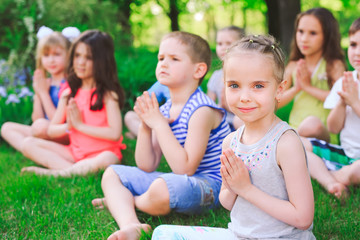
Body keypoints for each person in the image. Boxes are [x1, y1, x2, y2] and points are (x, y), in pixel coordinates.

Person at [152, 35, 315, 240]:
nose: (244, 96)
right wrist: (232, 187)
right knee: (163, 234)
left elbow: (303, 218)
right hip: (238, 235)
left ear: (279, 90)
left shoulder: (285, 143)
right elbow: (227, 202)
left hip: (280, 237)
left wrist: (246, 189)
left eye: (258, 86)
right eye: (234, 85)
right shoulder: (231, 142)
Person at [92, 31, 231, 240]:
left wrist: (158, 123)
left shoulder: (201, 110)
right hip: (181, 181)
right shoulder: (165, 110)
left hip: (210, 187)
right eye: (161, 58)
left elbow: (185, 168)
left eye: (174, 59)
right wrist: (146, 126)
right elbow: (147, 165)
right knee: (112, 173)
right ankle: (131, 224)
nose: (164, 64)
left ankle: (126, 199)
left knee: (164, 187)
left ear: (198, 69)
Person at [20, 30, 126, 177]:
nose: (81, 62)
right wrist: (68, 126)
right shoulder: (69, 93)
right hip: (74, 153)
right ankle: (74, 170)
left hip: (101, 154)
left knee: (109, 159)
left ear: (102, 61)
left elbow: (114, 134)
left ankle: (58, 173)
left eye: (88, 57)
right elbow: (51, 130)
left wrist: (80, 126)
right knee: (28, 144)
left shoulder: (109, 95)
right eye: (77, 56)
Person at [301, 17, 360, 198]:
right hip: (345, 155)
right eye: (353, 44)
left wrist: (354, 102)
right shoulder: (345, 81)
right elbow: (333, 127)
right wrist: (342, 101)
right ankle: (332, 183)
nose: (356, 52)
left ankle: (337, 176)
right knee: (297, 144)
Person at [280, 7, 346, 142]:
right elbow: (274, 102)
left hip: (322, 133)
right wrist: (296, 88)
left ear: (327, 36)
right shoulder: (293, 65)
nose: (304, 39)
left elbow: (340, 99)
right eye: (300, 31)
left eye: (313, 33)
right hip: (294, 130)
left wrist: (307, 87)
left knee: (311, 125)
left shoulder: (333, 65)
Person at [1, 31, 72, 152]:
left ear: (68, 55)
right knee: (7, 128)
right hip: (42, 130)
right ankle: (34, 150)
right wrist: (38, 93)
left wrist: (44, 94)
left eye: (56, 54)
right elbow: (37, 119)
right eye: (46, 55)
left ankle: (38, 150)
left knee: (40, 127)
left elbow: (58, 122)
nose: (51, 60)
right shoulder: (45, 83)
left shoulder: (68, 84)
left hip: (62, 132)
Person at [207, 26, 245, 130]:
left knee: (239, 121)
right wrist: (217, 108)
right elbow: (209, 102)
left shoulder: (245, 75)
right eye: (219, 44)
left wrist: (228, 107)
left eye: (228, 43)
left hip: (241, 119)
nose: (223, 47)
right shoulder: (216, 76)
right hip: (221, 121)